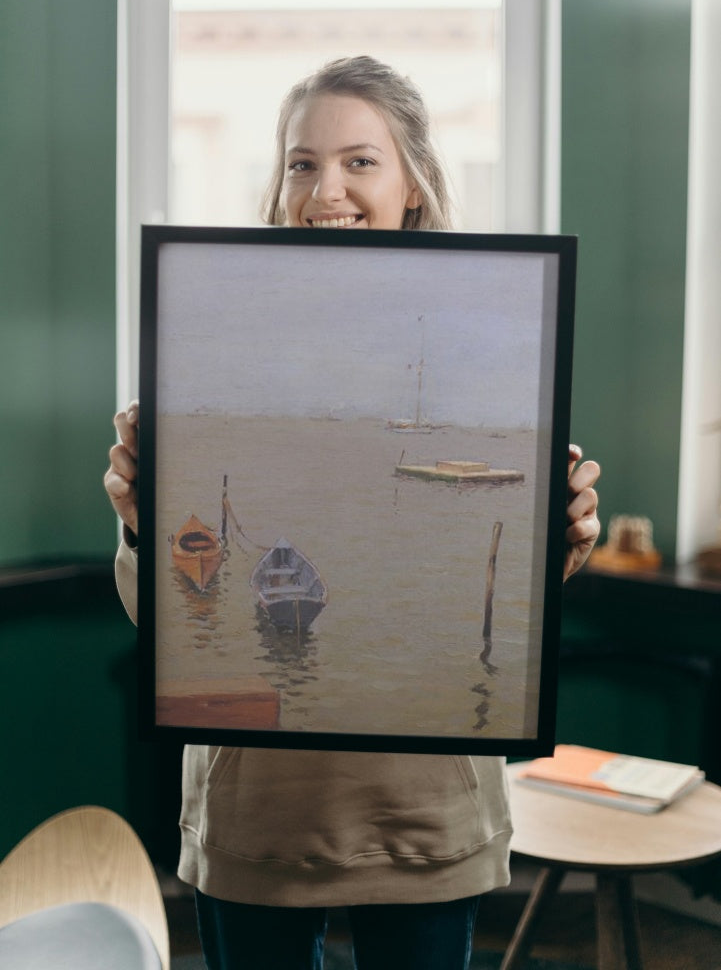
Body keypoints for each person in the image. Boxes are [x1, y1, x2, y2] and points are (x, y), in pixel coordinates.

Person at [105, 56, 601, 970]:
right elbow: (173, 619)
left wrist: (559, 541)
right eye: (301, 162)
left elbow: (490, 609)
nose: (324, 188)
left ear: (413, 182)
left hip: (425, 809)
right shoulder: (207, 347)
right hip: (256, 810)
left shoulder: (492, 347)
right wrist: (142, 524)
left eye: (359, 161)